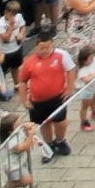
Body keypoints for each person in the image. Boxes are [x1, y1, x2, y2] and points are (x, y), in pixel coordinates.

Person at [17, 26, 75, 158]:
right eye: (42, 48)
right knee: (44, 123)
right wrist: (24, 100)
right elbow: (22, 81)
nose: (45, 51)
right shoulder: (30, 62)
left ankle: (60, 141)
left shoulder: (61, 55)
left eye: (48, 47)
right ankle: (49, 144)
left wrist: (70, 88)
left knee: (60, 121)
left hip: (58, 97)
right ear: (36, 47)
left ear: (52, 44)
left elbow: (70, 69)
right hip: (37, 101)